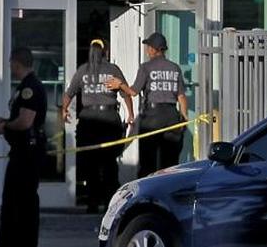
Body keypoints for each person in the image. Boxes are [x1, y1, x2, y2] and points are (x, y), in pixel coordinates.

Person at [61, 39, 134, 212]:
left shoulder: (83, 71)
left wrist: (64, 110)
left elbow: (69, 93)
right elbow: (126, 94)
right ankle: (112, 205)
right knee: (109, 163)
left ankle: (92, 204)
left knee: (90, 164)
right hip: (109, 119)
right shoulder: (112, 69)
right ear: (105, 51)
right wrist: (130, 114)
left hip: (88, 121)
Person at [105, 32, 188, 178]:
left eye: (148, 46)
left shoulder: (146, 67)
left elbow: (133, 92)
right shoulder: (175, 68)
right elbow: (181, 96)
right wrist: (184, 118)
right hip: (171, 116)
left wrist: (120, 84)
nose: (146, 49)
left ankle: (146, 195)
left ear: (154, 49)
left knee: (148, 162)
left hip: (151, 118)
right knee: (170, 163)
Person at [0, 46, 47, 247]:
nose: (10, 67)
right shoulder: (26, 85)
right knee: (14, 199)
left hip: (27, 152)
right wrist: (6, 121)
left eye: (10, 63)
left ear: (16, 62)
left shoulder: (29, 87)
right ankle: (10, 241)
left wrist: (4, 126)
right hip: (22, 150)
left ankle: (19, 242)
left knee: (21, 200)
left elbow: (25, 121)